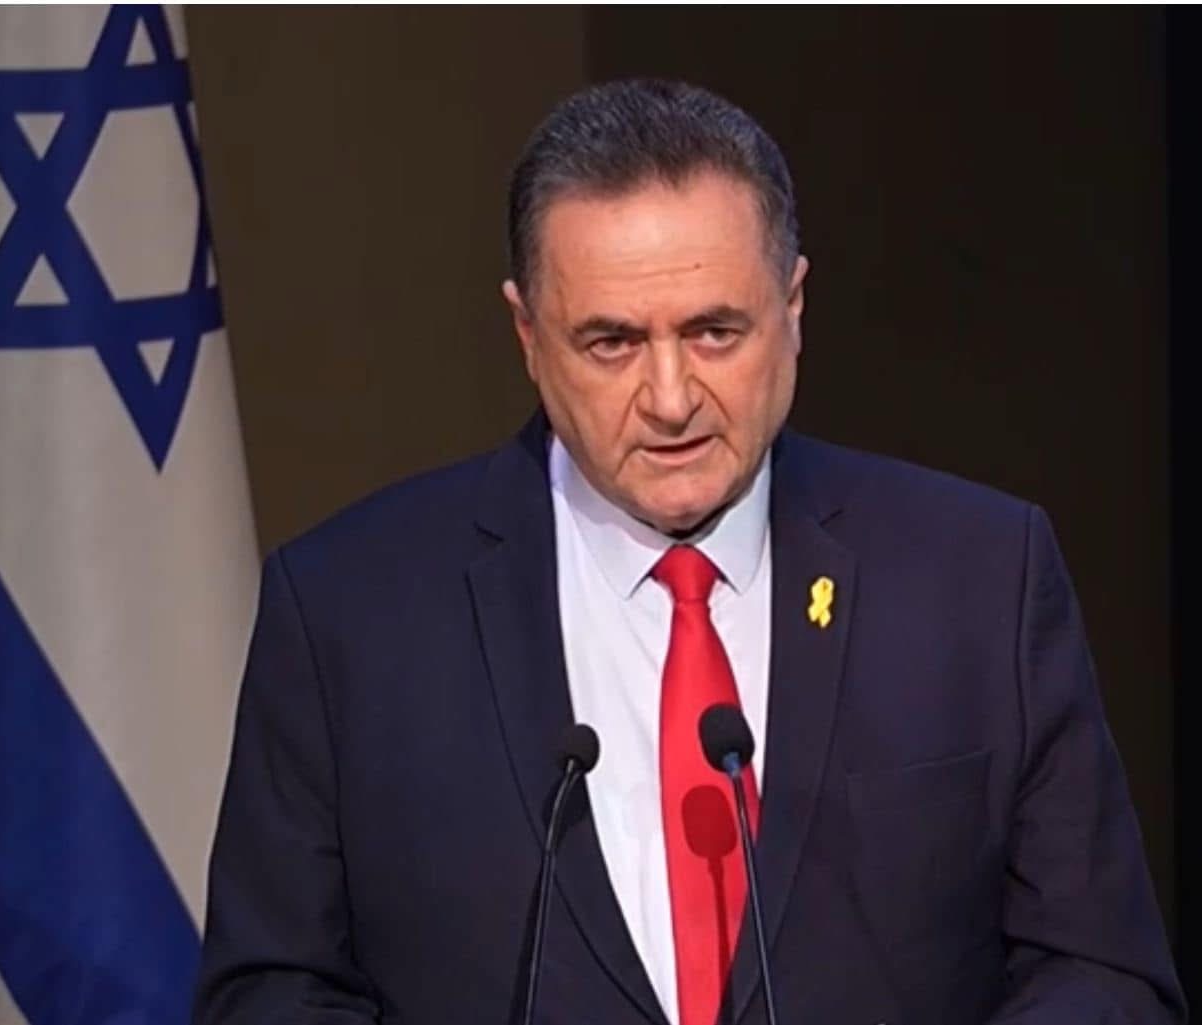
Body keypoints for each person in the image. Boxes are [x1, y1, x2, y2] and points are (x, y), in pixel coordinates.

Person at [192, 79, 1184, 1025]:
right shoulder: (350, 612)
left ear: (794, 308)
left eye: (714, 332)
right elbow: (273, 993)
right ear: (528, 335)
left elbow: (1102, 976)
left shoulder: (977, 577)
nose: (670, 400)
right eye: (612, 342)